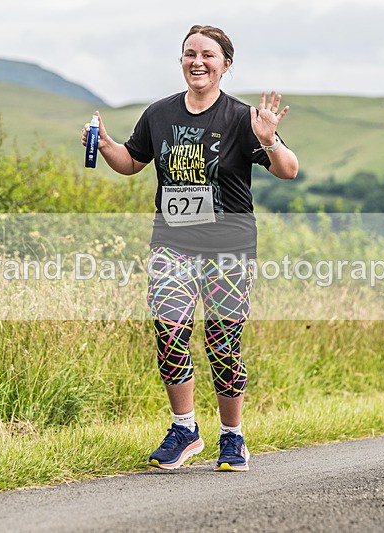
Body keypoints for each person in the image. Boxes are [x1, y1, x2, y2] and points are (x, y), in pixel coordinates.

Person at [81, 24, 298, 472]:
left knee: (223, 342)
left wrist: (269, 139)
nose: (197, 61)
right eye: (189, 54)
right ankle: (185, 430)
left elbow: (289, 171)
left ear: (226, 65)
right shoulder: (159, 114)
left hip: (229, 247)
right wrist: (105, 145)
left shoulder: (242, 118)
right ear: (181, 61)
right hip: (172, 243)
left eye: (208, 55)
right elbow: (132, 162)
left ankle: (233, 438)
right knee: (169, 328)